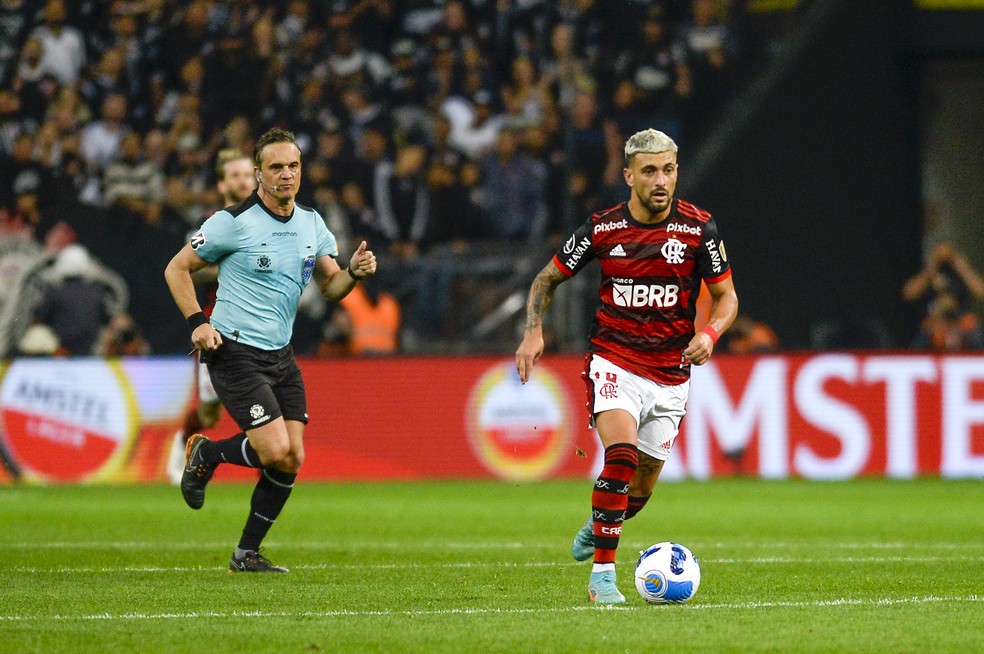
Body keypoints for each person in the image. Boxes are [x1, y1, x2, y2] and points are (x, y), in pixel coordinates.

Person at [514, 128, 738, 604]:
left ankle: (597, 526)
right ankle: (602, 580)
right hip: (615, 360)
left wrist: (710, 333)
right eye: (651, 171)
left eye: (669, 170)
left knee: (641, 488)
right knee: (621, 457)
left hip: (672, 372)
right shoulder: (603, 228)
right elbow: (547, 277)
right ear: (629, 175)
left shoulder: (699, 229)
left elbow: (726, 297)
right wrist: (534, 329)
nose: (662, 180)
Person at [163, 128, 377, 573]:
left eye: (293, 166)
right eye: (276, 167)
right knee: (274, 448)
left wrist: (353, 272)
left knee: (292, 457)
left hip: (281, 355)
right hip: (234, 351)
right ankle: (205, 454)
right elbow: (177, 268)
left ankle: (246, 555)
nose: (285, 174)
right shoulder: (232, 222)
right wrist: (197, 324)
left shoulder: (312, 223)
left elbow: (331, 285)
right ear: (258, 173)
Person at [165, 148, 257, 485]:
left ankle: (273, 471)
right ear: (222, 185)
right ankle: (182, 442)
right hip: (217, 324)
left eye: (248, 174)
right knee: (209, 412)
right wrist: (229, 264)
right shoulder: (212, 223)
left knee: (268, 398)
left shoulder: (269, 219)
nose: (243, 181)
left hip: (259, 325)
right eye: (235, 175)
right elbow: (186, 269)